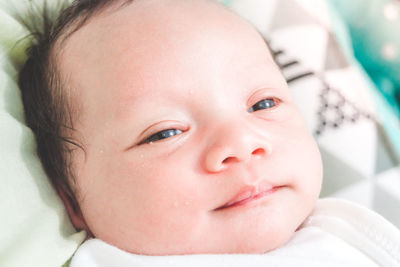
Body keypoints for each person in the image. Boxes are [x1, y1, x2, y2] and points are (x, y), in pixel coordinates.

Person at [17, 0, 400, 266]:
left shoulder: (344, 232)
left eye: (263, 104)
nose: (242, 143)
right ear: (73, 202)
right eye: (165, 133)